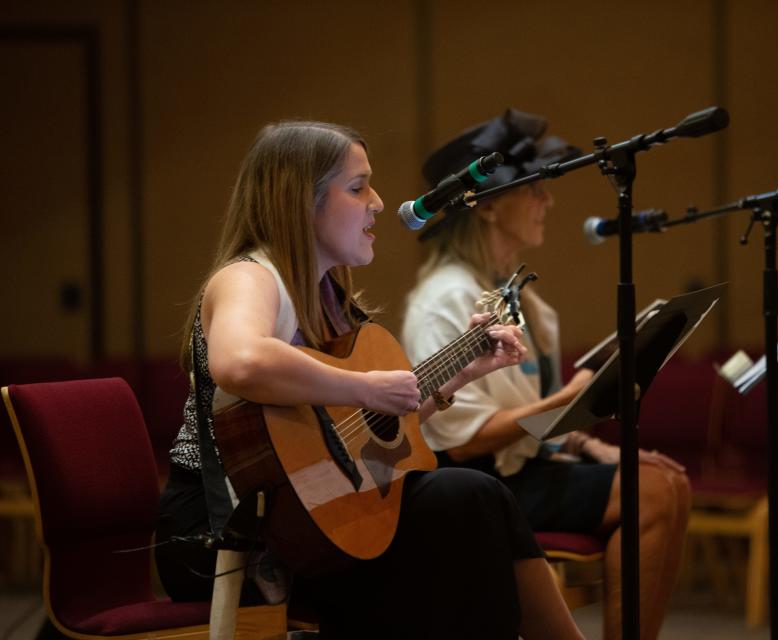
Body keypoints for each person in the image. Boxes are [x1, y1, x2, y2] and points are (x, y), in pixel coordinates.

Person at [154, 121, 585, 640]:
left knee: (471, 505)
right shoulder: (249, 276)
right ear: (299, 201)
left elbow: (365, 431)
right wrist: (364, 385)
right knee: (465, 503)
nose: (379, 202)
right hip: (224, 530)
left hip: (306, 511)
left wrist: (461, 371)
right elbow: (240, 363)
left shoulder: (330, 296)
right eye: (358, 187)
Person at [402, 109, 692, 640]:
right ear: (488, 205)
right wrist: (574, 397)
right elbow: (460, 443)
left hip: (523, 469)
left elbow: (535, 418)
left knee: (668, 481)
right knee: (656, 493)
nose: (548, 201)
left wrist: (589, 445)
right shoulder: (444, 298)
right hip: (478, 484)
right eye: (534, 190)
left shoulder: (524, 299)